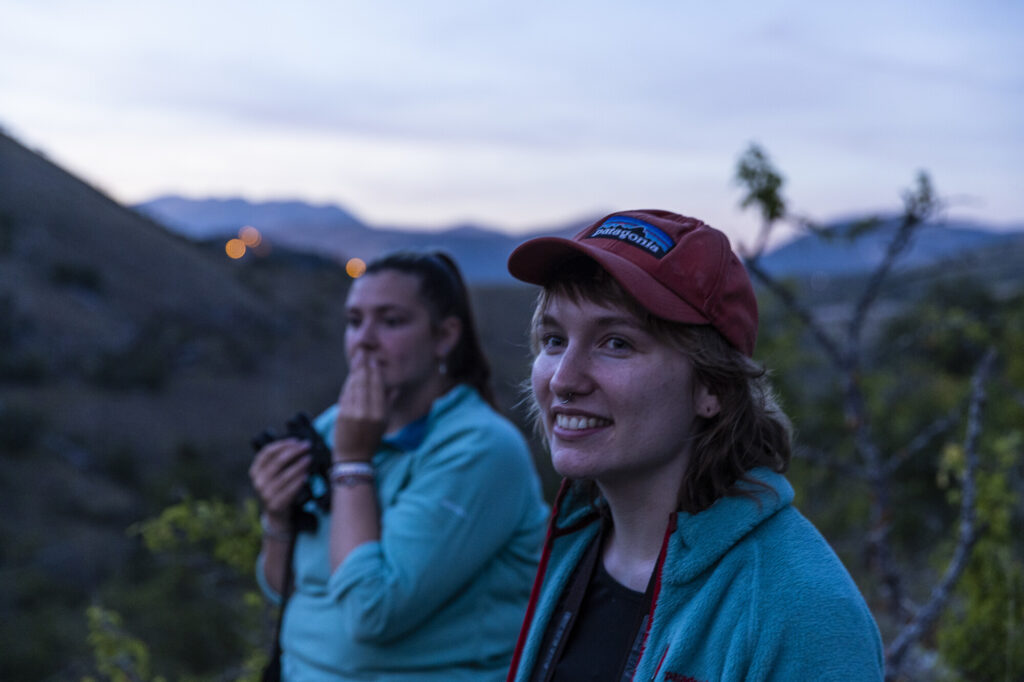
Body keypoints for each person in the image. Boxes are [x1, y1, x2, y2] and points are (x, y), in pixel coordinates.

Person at [503, 210, 884, 682]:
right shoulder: (575, 542)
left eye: (616, 343)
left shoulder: (802, 610)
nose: (563, 380)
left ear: (713, 388)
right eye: (554, 339)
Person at [249, 250, 548, 681]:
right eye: (354, 321)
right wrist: (277, 518)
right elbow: (290, 591)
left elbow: (372, 613)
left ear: (444, 336)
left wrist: (353, 463)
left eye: (390, 321)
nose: (365, 339)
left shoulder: (481, 449)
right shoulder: (333, 428)